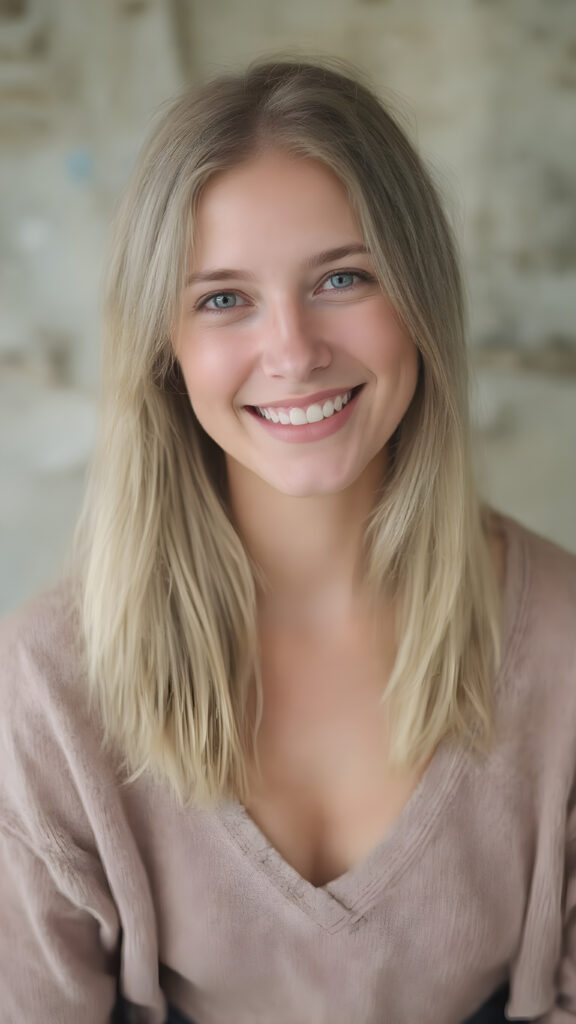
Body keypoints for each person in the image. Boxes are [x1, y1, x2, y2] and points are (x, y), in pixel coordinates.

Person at [0, 57, 574, 1024]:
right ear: (164, 347)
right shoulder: (52, 679)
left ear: (421, 302)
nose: (295, 351)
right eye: (224, 298)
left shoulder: (565, 644)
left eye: (343, 277)